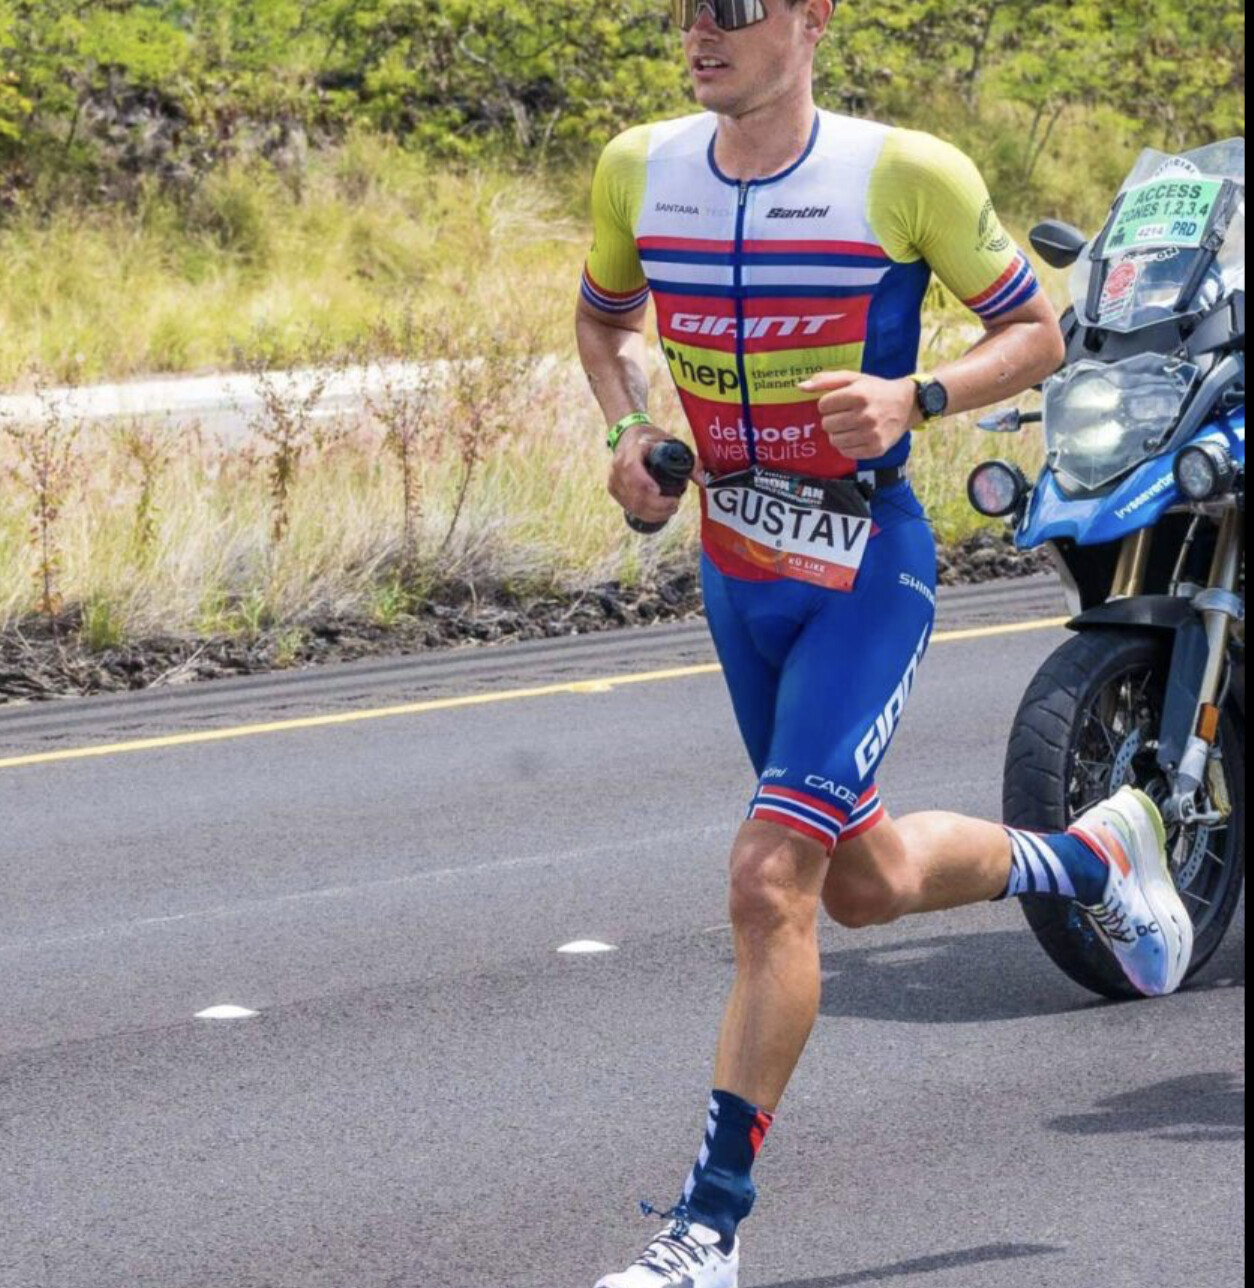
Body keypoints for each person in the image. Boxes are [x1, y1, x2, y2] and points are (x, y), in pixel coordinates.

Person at [574, 3, 1194, 1285]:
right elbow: (606, 323)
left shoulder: (903, 172)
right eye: (686, 6)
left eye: (735, 7)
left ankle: (706, 1229)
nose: (701, 31)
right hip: (738, 570)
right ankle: (1091, 855)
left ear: (813, 17)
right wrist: (630, 433)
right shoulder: (641, 166)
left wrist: (918, 395)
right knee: (860, 883)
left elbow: (1039, 334)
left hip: (866, 570)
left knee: (768, 881)